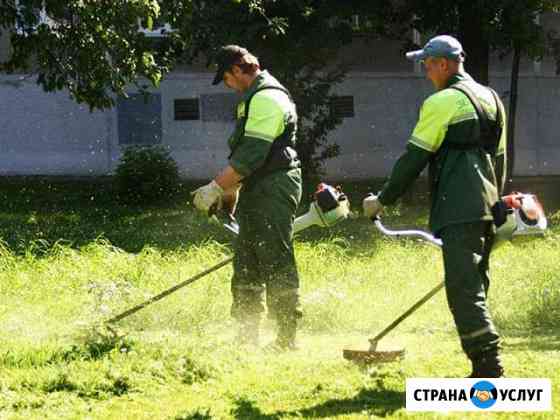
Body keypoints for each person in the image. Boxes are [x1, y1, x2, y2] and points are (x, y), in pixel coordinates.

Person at [363, 35, 507, 377]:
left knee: (463, 289)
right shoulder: (492, 98)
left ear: (444, 64)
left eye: (427, 65)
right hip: (487, 205)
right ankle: (485, 361)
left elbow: (415, 157)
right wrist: (497, 201)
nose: (425, 71)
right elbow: (499, 158)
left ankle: (488, 367)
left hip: (459, 205)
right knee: (475, 283)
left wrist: (382, 200)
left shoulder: (443, 102)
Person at [191, 45, 302, 350]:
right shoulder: (250, 101)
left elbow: (251, 156)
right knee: (247, 261)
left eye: (226, 77)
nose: (227, 84)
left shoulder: (267, 98)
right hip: (258, 186)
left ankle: (286, 337)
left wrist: (214, 187)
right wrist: (230, 195)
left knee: (275, 257)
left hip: (275, 185)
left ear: (238, 70)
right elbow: (244, 156)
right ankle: (246, 333)